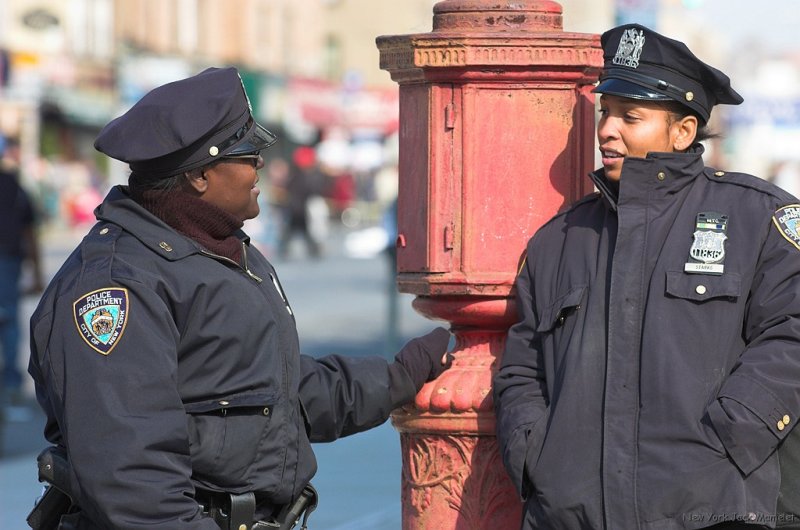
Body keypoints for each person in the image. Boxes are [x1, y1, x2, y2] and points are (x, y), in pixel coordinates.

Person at [27, 67, 452, 530]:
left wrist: (402, 375)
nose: (262, 166)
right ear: (201, 176)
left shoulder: (219, 252)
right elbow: (133, 483)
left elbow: (274, 393)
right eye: (248, 153)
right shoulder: (117, 286)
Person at [494, 23, 800, 530]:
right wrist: (535, 454)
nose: (608, 130)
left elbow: (792, 334)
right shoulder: (559, 240)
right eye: (605, 113)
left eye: (630, 117)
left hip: (715, 507)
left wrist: (733, 436)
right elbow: (522, 369)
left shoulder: (757, 218)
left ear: (682, 132)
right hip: (572, 513)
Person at [0, 137, 44, 404]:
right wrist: (37, 273)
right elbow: (30, 232)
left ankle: (12, 384)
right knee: (9, 319)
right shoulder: (15, 186)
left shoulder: (14, 187)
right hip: (8, 261)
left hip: (8, 260)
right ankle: (11, 385)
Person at [278, 146, 325, 259]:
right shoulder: (308, 176)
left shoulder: (295, 176)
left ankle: (284, 251)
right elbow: (314, 190)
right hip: (300, 209)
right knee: (301, 233)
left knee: (295, 233)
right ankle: (314, 251)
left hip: (297, 209)